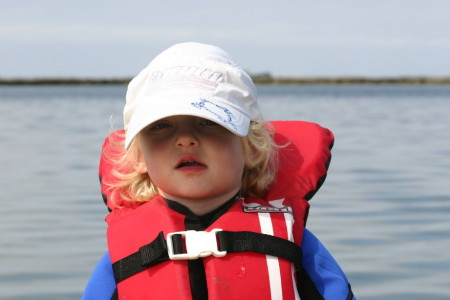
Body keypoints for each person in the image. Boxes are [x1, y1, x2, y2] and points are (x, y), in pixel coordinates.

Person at [83, 42, 355, 299]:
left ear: (251, 148)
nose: (185, 139)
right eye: (161, 126)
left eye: (208, 122)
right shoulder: (124, 253)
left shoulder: (292, 243)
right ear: (139, 157)